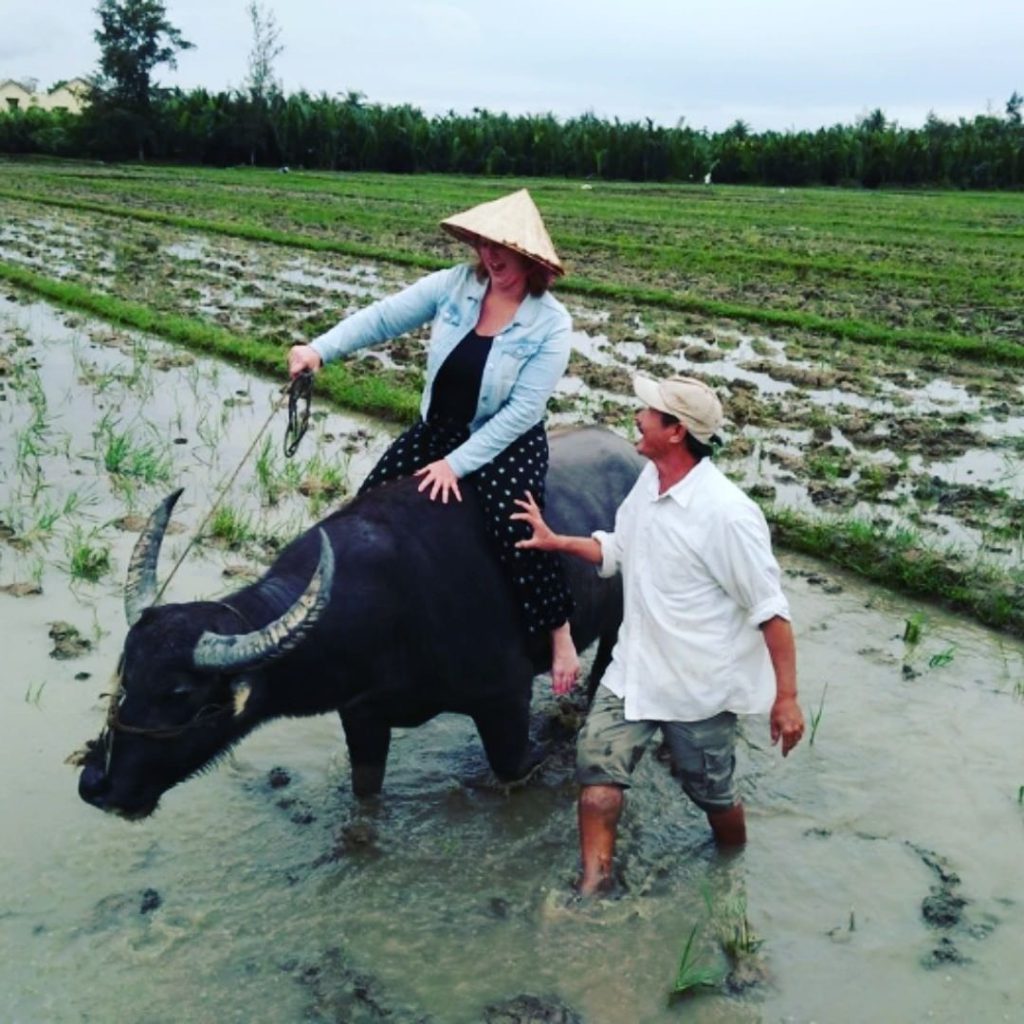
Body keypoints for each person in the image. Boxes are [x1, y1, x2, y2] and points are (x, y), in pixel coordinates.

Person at [512, 374, 805, 896]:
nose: (637, 417)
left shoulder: (729, 514)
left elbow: (771, 612)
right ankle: (592, 886)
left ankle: (731, 873)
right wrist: (557, 541)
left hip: (697, 688)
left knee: (713, 797)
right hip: (633, 671)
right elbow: (617, 549)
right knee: (597, 783)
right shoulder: (647, 484)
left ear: (676, 431)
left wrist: (787, 698)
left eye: (649, 412)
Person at [287, 189, 580, 691]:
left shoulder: (552, 324)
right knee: (368, 508)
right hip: (438, 430)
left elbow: (522, 412)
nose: (493, 257)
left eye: (505, 249)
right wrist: (319, 350)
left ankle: (560, 634)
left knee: (519, 529)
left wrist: (456, 465)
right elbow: (383, 317)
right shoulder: (455, 286)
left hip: (505, 442)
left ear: (531, 259)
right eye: (487, 245)